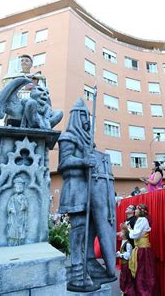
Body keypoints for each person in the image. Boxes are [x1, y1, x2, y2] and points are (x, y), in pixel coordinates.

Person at [58, 99, 116, 291]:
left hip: (91, 190)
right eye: (83, 115)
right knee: (79, 230)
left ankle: (89, 261)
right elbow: (63, 163)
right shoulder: (68, 137)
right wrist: (83, 161)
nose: (87, 120)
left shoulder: (88, 141)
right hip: (75, 188)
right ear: (76, 117)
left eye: (88, 116)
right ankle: (77, 270)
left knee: (91, 229)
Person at [127, 204, 155, 296]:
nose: (135, 211)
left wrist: (129, 229)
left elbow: (134, 235)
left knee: (141, 273)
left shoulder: (142, 220)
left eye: (136, 210)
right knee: (142, 272)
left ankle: (143, 292)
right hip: (141, 249)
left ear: (141, 211)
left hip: (142, 251)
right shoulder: (143, 220)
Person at [6, 177, 28, 246]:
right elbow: (8, 207)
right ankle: (12, 243)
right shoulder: (12, 198)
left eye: (21, 185)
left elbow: (25, 206)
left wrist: (22, 204)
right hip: (13, 218)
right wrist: (11, 210)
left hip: (21, 217)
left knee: (20, 231)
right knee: (13, 232)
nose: (19, 187)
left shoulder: (23, 197)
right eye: (17, 185)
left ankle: (20, 243)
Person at [117, 224, 135, 296]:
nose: (120, 233)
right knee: (123, 276)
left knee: (126, 277)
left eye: (122, 232)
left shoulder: (128, 244)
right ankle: (123, 290)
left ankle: (126, 291)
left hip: (126, 264)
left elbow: (128, 255)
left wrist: (121, 255)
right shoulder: (123, 242)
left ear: (125, 234)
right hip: (123, 263)